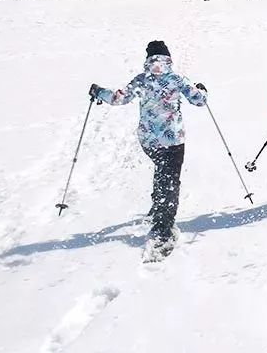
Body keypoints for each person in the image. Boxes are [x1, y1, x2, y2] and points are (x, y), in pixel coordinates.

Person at [89, 41, 208, 255]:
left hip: (148, 141)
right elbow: (199, 101)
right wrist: (201, 89)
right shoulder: (177, 79)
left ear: (149, 59)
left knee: (162, 171)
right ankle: (163, 228)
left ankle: (157, 207)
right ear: (168, 58)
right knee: (170, 181)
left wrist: (99, 92)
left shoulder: (141, 80)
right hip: (172, 141)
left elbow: (119, 99)